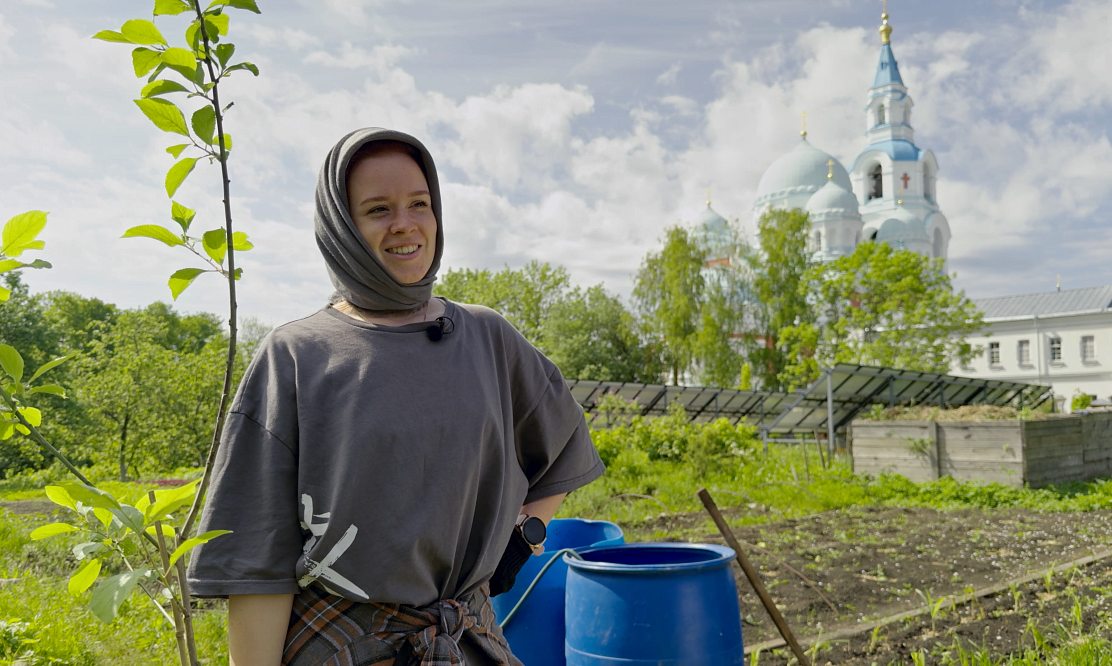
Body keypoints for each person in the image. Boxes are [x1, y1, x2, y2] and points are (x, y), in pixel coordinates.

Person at [186, 127, 605, 666]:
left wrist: (526, 534)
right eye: (378, 209)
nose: (405, 224)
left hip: (469, 644)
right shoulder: (296, 357)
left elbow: (564, 441)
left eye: (419, 203)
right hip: (345, 647)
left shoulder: (486, 337)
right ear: (342, 227)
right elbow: (258, 563)